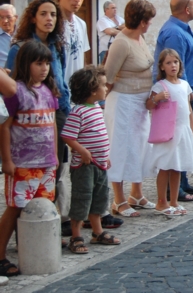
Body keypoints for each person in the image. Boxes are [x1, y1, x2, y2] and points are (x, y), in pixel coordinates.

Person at [5, 0, 72, 229]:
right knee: (24, 189)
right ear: (33, 17)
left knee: (56, 167)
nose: (49, 19)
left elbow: (59, 79)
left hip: (55, 107)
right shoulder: (20, 47)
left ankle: (49, 222)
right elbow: (13, 85)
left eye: (53, 15)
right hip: (26, 115)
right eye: (44, 14)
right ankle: (25, 229)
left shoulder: (57, 45)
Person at [0, 41, 61, 277]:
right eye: (38, 63)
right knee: (15, 209)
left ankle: (34, 249)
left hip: (45, 164)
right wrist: (7, 160)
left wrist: (54, 155)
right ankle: (1, 254)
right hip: (22, 164)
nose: (44, 68)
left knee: (42, 208)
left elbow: (53, 124)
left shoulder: (48, 91)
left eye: (47, 63)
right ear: (26, 64)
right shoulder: (16, 91)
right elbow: (4, 128)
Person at [104, 0, 156, 217]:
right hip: (123, 102)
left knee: (139, 148)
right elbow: (107, 76)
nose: (150, 24)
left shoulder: (140, 38)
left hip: (140, 104)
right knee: (121, 148)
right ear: (143, 22)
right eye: (149, 20)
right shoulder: (121, 42)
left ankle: (136, 193)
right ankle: (118, 199)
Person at [62, 65, 121, 254]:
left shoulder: (96, 107)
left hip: (100, 163)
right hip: (84, 165)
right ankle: (76, 236)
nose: (106, 88)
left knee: (99, 198)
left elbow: (100, 134)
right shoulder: (78, 112)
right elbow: (68, 136)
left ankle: (97, 232)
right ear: (92, 89)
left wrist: (105, 155)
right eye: (103, 85)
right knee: (82, 198)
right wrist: (83, 151)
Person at [153, 0, 193, 200]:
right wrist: (185, 92)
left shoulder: (182, 29)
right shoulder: (174, 33)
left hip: (186, 94)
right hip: (179, 98)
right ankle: (174, 191)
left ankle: (182, 183)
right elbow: (174, 65)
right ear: (187, 9)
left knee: (183, 143)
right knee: (174, 146)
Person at [145, 49, 193, 216]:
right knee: (165, 166)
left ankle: (174, 201)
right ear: (162, 67)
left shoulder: (184, 85)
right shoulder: (160, 86)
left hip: (183, 130)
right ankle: (161, 202)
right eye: (169, 63)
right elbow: (149, 105)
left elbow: (188, 110)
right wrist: (156, 99)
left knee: (178, 167)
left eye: (175, 62)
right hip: (168, 132)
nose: (173, 66)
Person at [56, 0, 90, 84]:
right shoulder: (53, 24)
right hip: (58, 88)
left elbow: (82, 57)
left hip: (77, 91)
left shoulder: (82, 24)